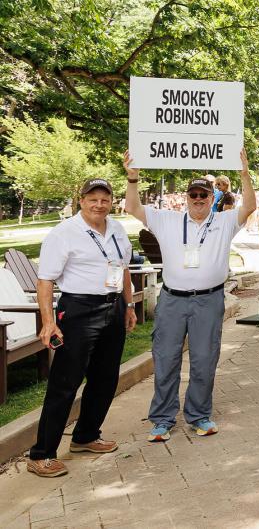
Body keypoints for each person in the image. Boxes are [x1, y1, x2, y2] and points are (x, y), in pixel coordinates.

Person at [123, 151, 256, 441]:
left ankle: (199, 415)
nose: (198, 199)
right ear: (187, 197)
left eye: (203, 195)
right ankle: (162, 419)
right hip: (173, 299)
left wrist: (244, 172)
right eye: (193, 194)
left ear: (212, 198)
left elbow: (250, 207)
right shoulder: (167, 219)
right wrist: (132, 177)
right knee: (166, 357)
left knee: (205, 358)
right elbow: (131, 206)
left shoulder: (224, 221)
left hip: (208, 300)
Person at [27, 178, 137, 478]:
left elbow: (123, 269)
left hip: (113, 307)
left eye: (104, 199)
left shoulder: (116, 229)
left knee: (105, 378)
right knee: (65, 383)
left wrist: (128, 307)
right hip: (78, 310)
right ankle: (42, 454)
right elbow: (46, 281)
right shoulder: (63, 233)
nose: (99, 204)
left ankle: (85, 437)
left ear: (111, 201)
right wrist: (49, 322)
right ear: (81, 200)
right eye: (93, 199)